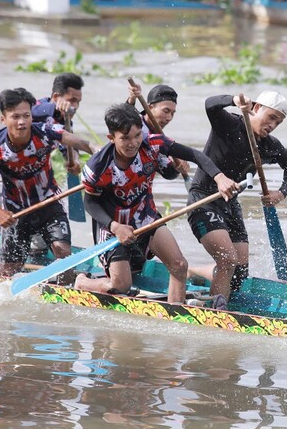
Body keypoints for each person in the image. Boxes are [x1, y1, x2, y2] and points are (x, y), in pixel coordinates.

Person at [77, 103, 237, 303]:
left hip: (145, 216)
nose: (133, 143)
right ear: (111, 138)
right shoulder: (98, 166)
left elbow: (196, 155)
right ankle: (83, 282)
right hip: (113, 227)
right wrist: (115, 226)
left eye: (137, 136)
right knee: (121, 286)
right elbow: (90, 202)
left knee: (179, 265)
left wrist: (219, 177)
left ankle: (175, 311)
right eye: (125, 138)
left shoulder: (153, 143)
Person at [188, 91, 287, 309]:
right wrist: (233, 100)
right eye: (271, 117)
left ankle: (195, 272)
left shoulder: (269, 145)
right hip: (203, 198)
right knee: (227, 259)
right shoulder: (229, 124)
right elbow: (209, 104)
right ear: (256, 108)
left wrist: (281, 193)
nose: (273, 125)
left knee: (239, 274)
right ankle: (217, 311)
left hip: (230, 204)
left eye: (278, 122)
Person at [0, 88, 97, 278]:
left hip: (49, 204)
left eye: (26, 115)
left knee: (64, 256)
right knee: (10, 269)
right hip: (16, 212)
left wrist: (101, 152)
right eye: (15, 117)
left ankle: (66, 281)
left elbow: (83, 143)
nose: (22, 122)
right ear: (3, 119)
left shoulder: (46, 132)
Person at [126, 81, 190, 179]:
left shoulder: (160, 141)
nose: (169, 118)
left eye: (172, 113)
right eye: (166, 111)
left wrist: (177, 166)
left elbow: (168, 173)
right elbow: (125, 116)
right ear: (150, 107)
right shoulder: (135, 122)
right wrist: (132, 98)